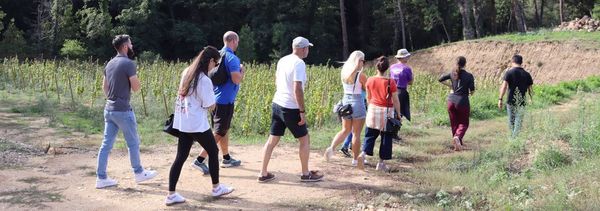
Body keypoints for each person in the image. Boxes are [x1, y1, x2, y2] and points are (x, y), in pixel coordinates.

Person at [165, 46, 234, 206]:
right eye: (215, 64)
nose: (215, 67)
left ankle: (171, 194)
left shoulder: (187, 71)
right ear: (210, 61)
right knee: (213, 151)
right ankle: (216, 188)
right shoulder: (204, 80)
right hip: (197, 123)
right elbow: (210, 105)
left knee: (180, 157)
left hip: (183, 121)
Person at [258, 36, 324, 183]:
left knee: (272, 140)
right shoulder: (299, 63)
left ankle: (263, 173)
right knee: (305, 139)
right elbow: (297, 88)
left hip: (277, 103)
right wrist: (301, 111)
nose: (308, 51)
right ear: (302, 49)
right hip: (290, 106)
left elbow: (277, 81)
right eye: (307, 48)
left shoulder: (283, 60)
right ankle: (306, 174)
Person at [96, 34, 157, 189]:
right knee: (133, 143)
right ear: (124, 47)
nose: (132, 46)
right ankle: (138, 173)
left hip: (109, 109)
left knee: (106, 145)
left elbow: (105, 87)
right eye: (130, 44)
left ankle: (101, 178)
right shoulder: (129, 63)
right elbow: (136, 88)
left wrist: (112, 99)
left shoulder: (109, 64)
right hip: (123, 110)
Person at [192, 31, 244, 174]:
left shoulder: (218, 55)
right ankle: (200, 160)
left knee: (222, 129)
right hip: (226, 100)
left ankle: (226, 158)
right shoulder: (232, 58)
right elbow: (236, 79)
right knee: (220, 132)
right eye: (237, 42)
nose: (237, 44)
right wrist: (242, 72)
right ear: (233, 41)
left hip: (215, 99)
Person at [324, 51, 367, 167]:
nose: (364, 63)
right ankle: (355, 160)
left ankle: (331, 148)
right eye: (363, 60)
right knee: (356, 133)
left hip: (345, 102)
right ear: (358, 61)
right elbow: (366, 88)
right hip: (357, 102)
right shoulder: (360, 75)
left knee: (345, 130)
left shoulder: (344, 73)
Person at [360, 56, 402, 172]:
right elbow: (395, 100)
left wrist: (370, 108)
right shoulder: (390, 81)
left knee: (370, 135)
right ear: (387, 68)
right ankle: (381, 163)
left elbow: (368, 97)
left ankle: (363, 154)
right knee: (386, 137)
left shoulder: (369, 80)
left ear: (376, 67)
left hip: (373, 109)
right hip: (386, 112)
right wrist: (398, 113)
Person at [438, 56, 475, 151]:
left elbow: (440, 79)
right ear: (465, 64)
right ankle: (458, 137)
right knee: (463, 123)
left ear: (456, 63)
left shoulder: (452, 73)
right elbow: (472, 91)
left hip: (451, 100)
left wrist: (450, 86)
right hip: (462, 101)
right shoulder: (469, 76)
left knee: (454, 123)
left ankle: (458, 142)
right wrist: (470, 92)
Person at [498, 55, 533, 138]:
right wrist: (531, 98)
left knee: (511, 121)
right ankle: (514, 139)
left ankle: (512, 139)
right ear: (521, 62)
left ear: (512, 62)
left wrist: (500, 99)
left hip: (510, 101)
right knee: (519, 121)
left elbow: (504, 87)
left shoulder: (509, 72)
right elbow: (530, 89)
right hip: (522, 101)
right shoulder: (527, 74)